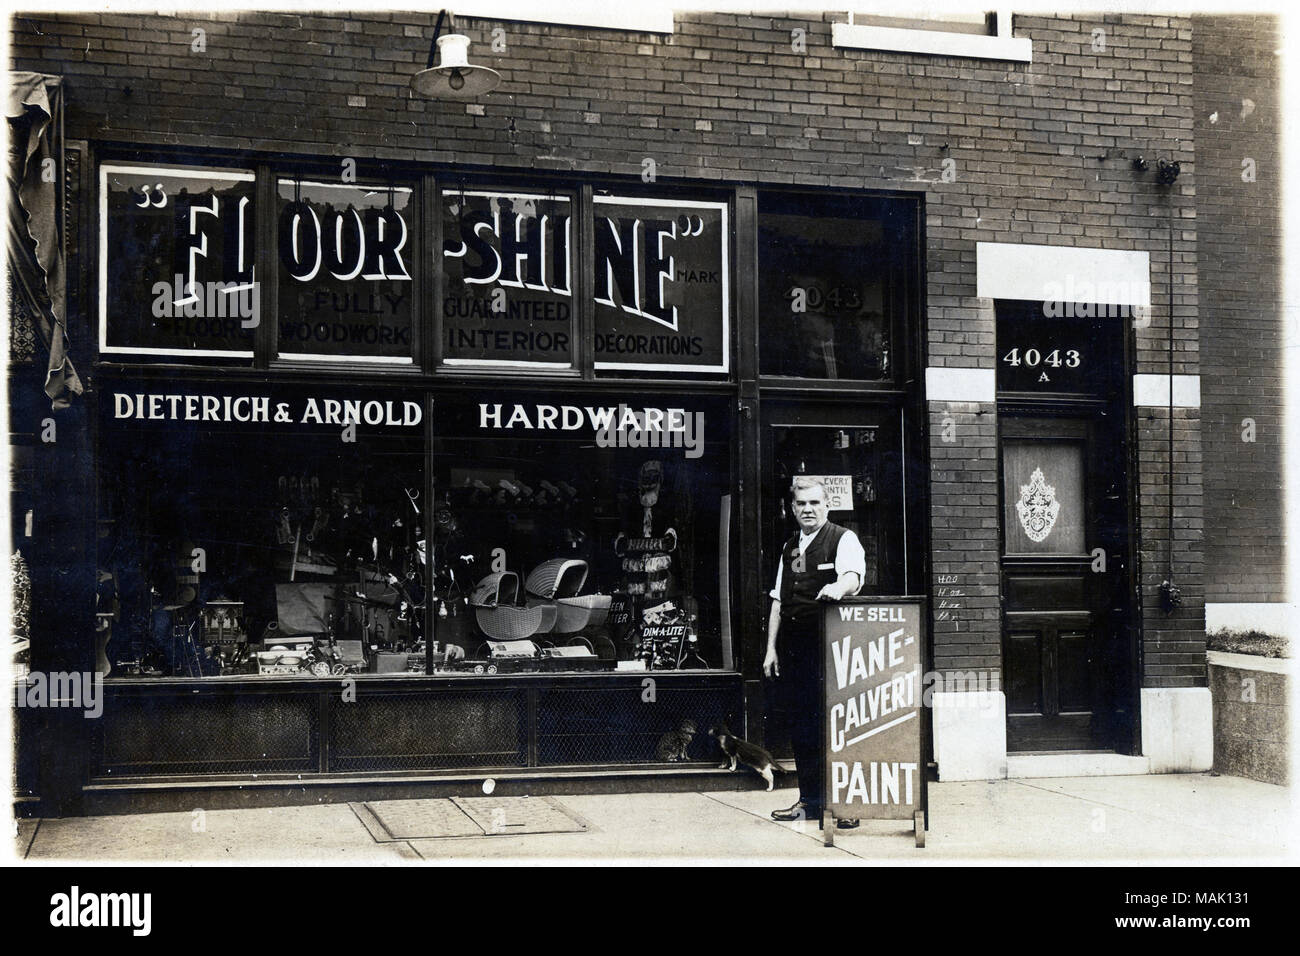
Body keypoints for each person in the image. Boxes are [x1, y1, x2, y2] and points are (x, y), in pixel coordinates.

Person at [764, 476, 866, 829]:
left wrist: (839, 586)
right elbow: (778, 599)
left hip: (831, 641)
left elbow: (853, 576)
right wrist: (770, 649)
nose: (808, 509)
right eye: (801, 504)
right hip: (794, 646)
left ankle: (846, 804)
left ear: (827, 505)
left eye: (814, 503)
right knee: (802, 725)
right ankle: (809, 800)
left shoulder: (842, 539)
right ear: (792, 508)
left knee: (836, 724)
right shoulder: (790, 546)